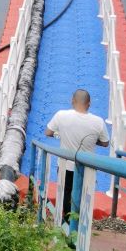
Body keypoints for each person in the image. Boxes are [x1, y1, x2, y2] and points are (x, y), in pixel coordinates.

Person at [45, 89, 109, 219]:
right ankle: (81, 223)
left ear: (72, 101)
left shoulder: (61, 115)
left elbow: (48, 132)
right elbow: (105, 143)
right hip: (87, 167)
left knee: (67, 193)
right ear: (89, 104)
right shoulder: (98, 122)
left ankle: (67, 222)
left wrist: (60, 133)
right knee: (84, 195)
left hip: (65, 166)